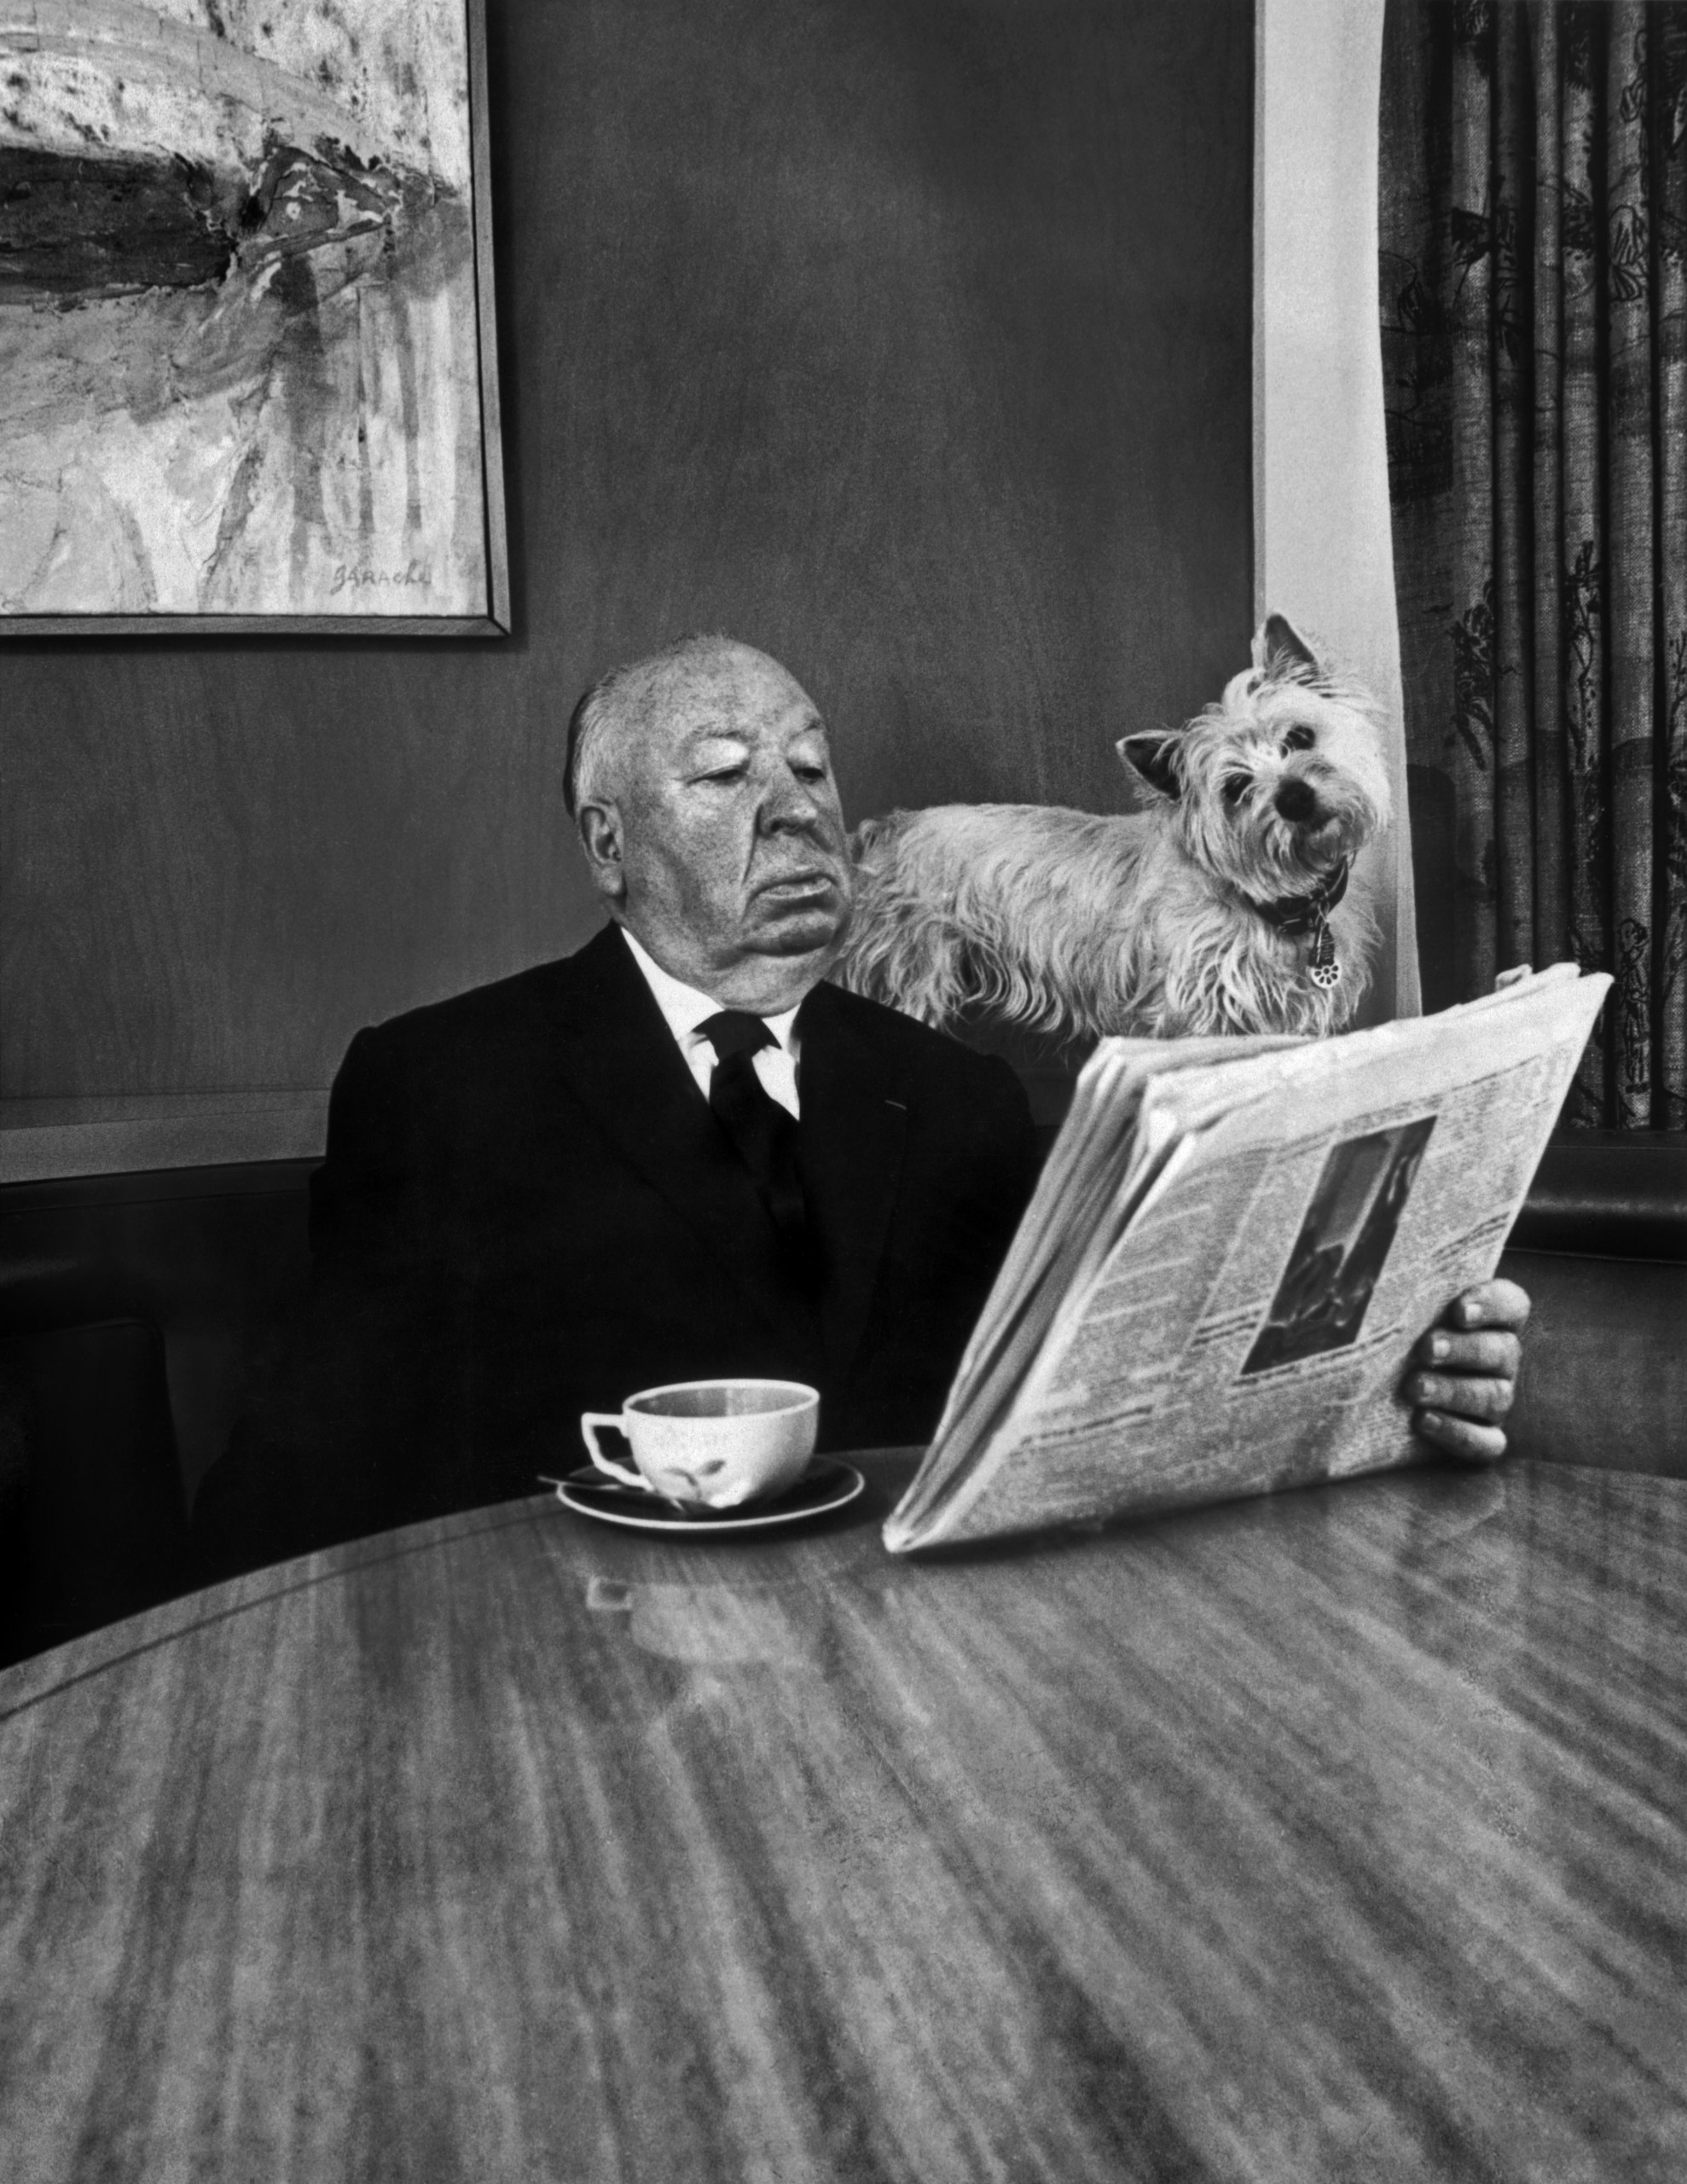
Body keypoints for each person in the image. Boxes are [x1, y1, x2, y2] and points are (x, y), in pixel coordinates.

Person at [191, 636, 1528, 1577]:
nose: (793, 812)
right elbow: (311, 1478)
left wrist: (1395, 1387)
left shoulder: (956, 1099)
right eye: (725, 775)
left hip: (913, 1680)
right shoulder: (438, 1083)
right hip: (580, 1689)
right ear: (608, 845)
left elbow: (1088, 1420)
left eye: (812, 770)